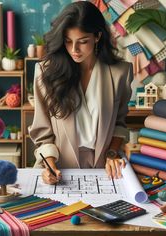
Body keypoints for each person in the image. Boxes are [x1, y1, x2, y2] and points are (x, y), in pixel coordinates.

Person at [29, 1, 133, 185]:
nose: (74, 50)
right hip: (61, 169)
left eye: (83, 42)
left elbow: (119, 122)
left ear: (97, 36)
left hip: (106, 170)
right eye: (68, 41)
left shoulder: (120, 73)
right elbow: (43, 132)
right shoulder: (46, 72)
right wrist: (49, 165)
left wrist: (111, 154)